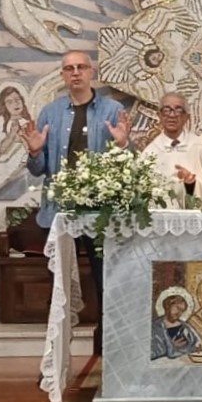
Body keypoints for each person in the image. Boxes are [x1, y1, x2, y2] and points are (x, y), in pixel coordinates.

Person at [20, 50, 130, 354]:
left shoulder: (112, 111)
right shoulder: (50, 113)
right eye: (69, 68)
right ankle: (57, 358)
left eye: (81, 67)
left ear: (91, 72)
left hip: (100, 214)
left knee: (105, 283)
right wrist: (34, 151)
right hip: (59, 213)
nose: (76, 73)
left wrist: (123, 145)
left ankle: (107, 353)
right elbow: (39, 170)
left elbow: (125, 166)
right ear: (63, 76)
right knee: (60, 289)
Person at [140, 92, 202, 205]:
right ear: (159, 115)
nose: (172, 115)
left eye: (178, 110)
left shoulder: (200, 146)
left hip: (192, 214)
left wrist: (190, 184)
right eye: (166, 110)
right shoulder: (150, 153)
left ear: (187, 117)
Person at [151, 294, 201, 360]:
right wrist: (171, 345)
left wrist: (195, 347)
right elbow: (153, 352)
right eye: (177, 308)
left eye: (182, 311)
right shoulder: (155, 326)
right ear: (167, 306)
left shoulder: (184, 326)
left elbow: (195, 342)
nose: (179, 313)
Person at [0, 86, 31, 155]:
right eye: (10, 102)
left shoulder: (26, 122)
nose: (16, 103)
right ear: (4, 105)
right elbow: (0, 151)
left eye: (17, 99)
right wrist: (12, 133)